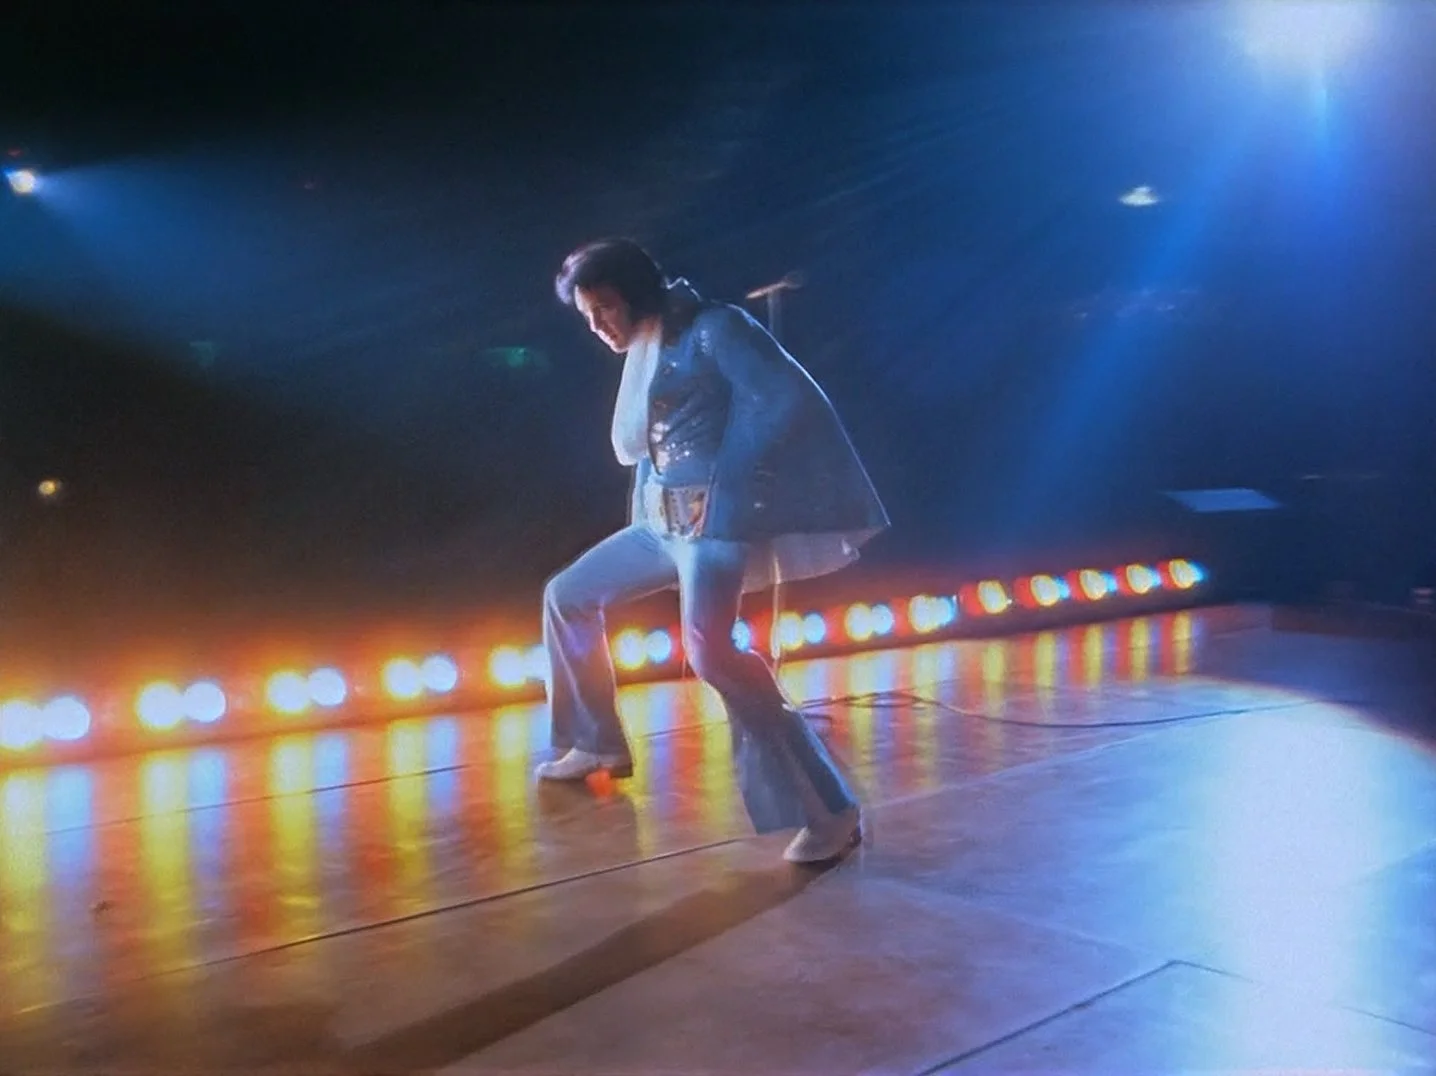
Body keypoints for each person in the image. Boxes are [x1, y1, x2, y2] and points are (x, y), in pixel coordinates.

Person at [538, 237, 889, 863]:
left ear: (635, 292)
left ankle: (831, 809)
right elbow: (651, 448)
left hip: (714, 527)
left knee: (713, 652)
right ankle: (596, 741)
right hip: (661, 526)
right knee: (568, 595)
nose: (599, 327)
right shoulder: (646, 344)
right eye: (589, 316)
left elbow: (786, 401)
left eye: (606, 309)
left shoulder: (713, 328)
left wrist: (732, 485)